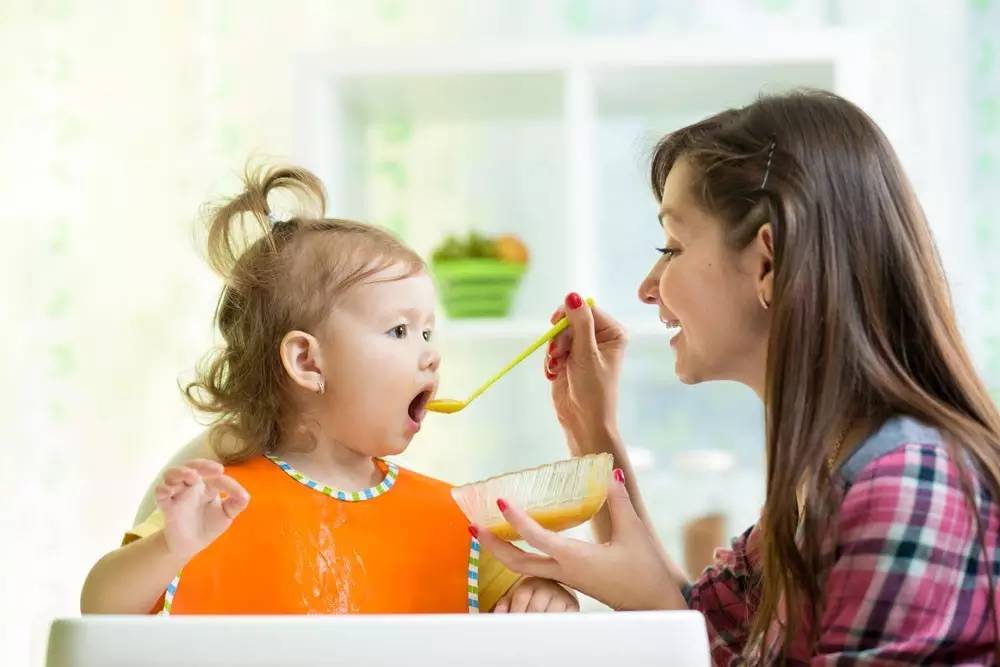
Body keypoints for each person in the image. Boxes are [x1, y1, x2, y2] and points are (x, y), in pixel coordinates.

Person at [475, 90, 1000, 663]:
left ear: (768, 263)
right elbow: (702, 633)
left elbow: (681, 631)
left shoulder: (905, 488)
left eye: (672, 246)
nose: (648, 287)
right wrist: (590, 427)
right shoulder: (817, 485)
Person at [80, 164, 577, 615]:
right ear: (307, 361)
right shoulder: (218, 504)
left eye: (428, 332)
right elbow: (102, 608)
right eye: (399, 331)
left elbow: (528, 601)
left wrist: (543, 594)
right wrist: (171, 547)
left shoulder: (451, 517)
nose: (431, 354)